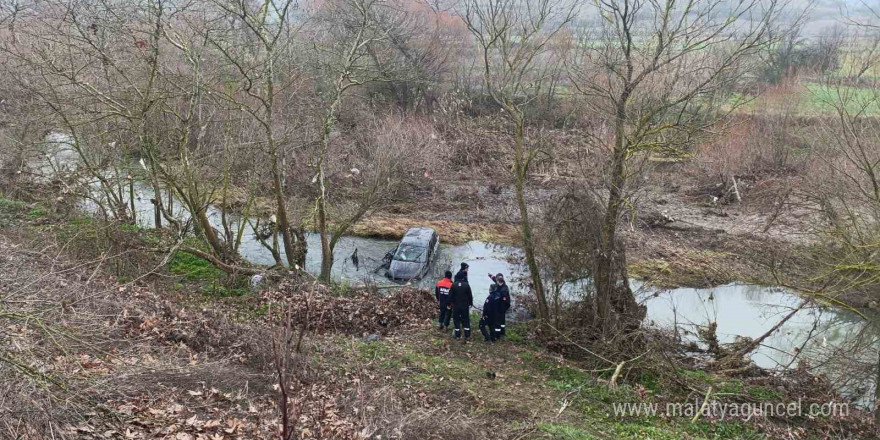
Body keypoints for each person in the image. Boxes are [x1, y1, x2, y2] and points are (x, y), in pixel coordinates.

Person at [449, 271, 473, 342]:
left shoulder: (453, 285)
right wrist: (470, 303)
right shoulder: (466, 285)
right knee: (466, 319)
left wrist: (449, 304)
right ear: (463, 277)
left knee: (456, 320)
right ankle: (467, 335)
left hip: (456, 306)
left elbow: (450, 296)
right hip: (464, 306)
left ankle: (458, 335)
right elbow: (470, 296)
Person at [489, 273, 511, 337]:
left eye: (497, 281)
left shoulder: (503, 290)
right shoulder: (501, 283)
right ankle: (502, 332)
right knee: (502, 320)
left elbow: (501, 298)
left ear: (499, 281)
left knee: (498, 321)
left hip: (502, 307)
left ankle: (498, 334)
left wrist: (493, 294)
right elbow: (494, 279)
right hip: (502, 306)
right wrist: (490, 276)